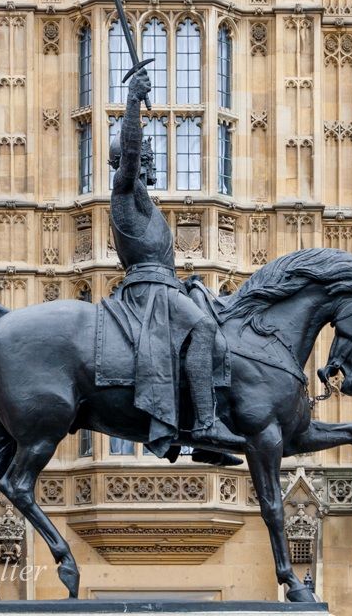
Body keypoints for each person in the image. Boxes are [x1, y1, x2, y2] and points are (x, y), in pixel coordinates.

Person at [102, 65, 246, 461]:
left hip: (165, 286)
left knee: (213, 321)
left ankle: (205, 437)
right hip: (149, 292)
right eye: (142, 158)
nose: (146, 161)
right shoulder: (124, 189)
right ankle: (205, 425)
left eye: (148, 157)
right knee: (200, 328)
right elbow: (129, 152)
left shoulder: (142, 201)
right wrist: (133, 101)